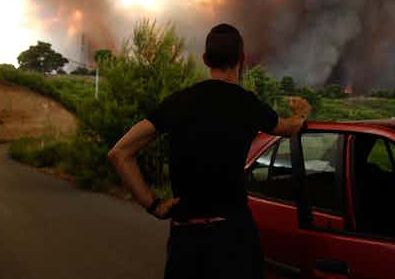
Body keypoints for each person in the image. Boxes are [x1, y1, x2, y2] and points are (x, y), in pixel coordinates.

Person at [107, 23, 312, 279]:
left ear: (205, 59)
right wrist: (302, 113)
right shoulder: (247, 105)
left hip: (186, 241)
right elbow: (288, 128)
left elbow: (120, 153)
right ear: (242, 59)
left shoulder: (179, 102)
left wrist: (154, 205)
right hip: (234, 239)